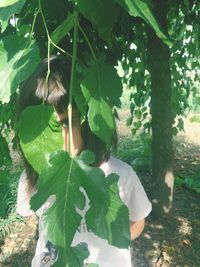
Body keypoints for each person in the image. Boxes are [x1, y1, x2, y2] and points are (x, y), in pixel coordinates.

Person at [16, 56, 152, 267]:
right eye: (45, 129)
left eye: (67, 124)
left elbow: (137, 221)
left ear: (88, 123)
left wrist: (112, 240)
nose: (57, 140)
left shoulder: (119, 176)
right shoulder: (32, 179)